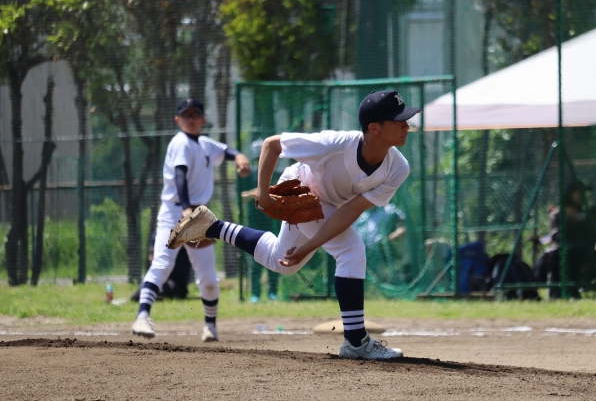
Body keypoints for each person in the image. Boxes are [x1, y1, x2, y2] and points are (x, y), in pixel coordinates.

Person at [167, 90, 420, 359]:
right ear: (374, 128)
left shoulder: (397, 168)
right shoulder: (336, 143)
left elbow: (350, 211)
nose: (406, 125)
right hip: (300, 188)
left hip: (328, 205)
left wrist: (309, 246)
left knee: (281, 262)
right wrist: (264, 194)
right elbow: (272, 145)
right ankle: (356, 342)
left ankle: (212, 226)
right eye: (398, 120)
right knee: (351, 250)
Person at [131, 98, 251, 341]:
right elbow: (180, 175)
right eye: (186, 115)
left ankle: (210, 326)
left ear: (203, 120)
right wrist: (186, 208)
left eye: (195, 115)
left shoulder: (204, 144)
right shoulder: (180, 142)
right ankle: (142, 316)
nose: (191, 119)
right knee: (162, 264)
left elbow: (224, 151)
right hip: (175, 212)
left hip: (200, 216)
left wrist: (239, 156)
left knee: (208, 277)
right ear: (177, 120)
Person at [241, 139, 280, 303]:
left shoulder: (278, 174)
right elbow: (242, 197)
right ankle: (255, 294)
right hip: (254, 222)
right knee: (255, 258)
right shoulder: (249, 175)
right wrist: (260, 191)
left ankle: (273, 293)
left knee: (275, 256)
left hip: (274, 221)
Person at [130, 230, 191, 302]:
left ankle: (158, 295)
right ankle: (156, 295)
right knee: (137, 295)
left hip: (176, 282)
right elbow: (152, 257)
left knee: (169, 288)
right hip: (160, 278)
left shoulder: (185, 233)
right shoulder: (158, 233)